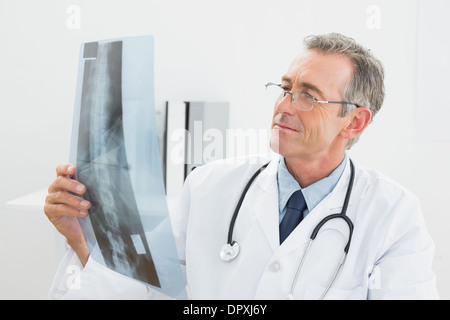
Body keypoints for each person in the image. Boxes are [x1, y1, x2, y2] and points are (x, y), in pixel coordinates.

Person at [44, 33, 439, 299]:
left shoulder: (394, 216)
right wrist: (81, 237)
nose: (284, 105)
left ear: (355, 121)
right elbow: (150, 292)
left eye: (308, 96)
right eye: (285, 88)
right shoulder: (209, 185)